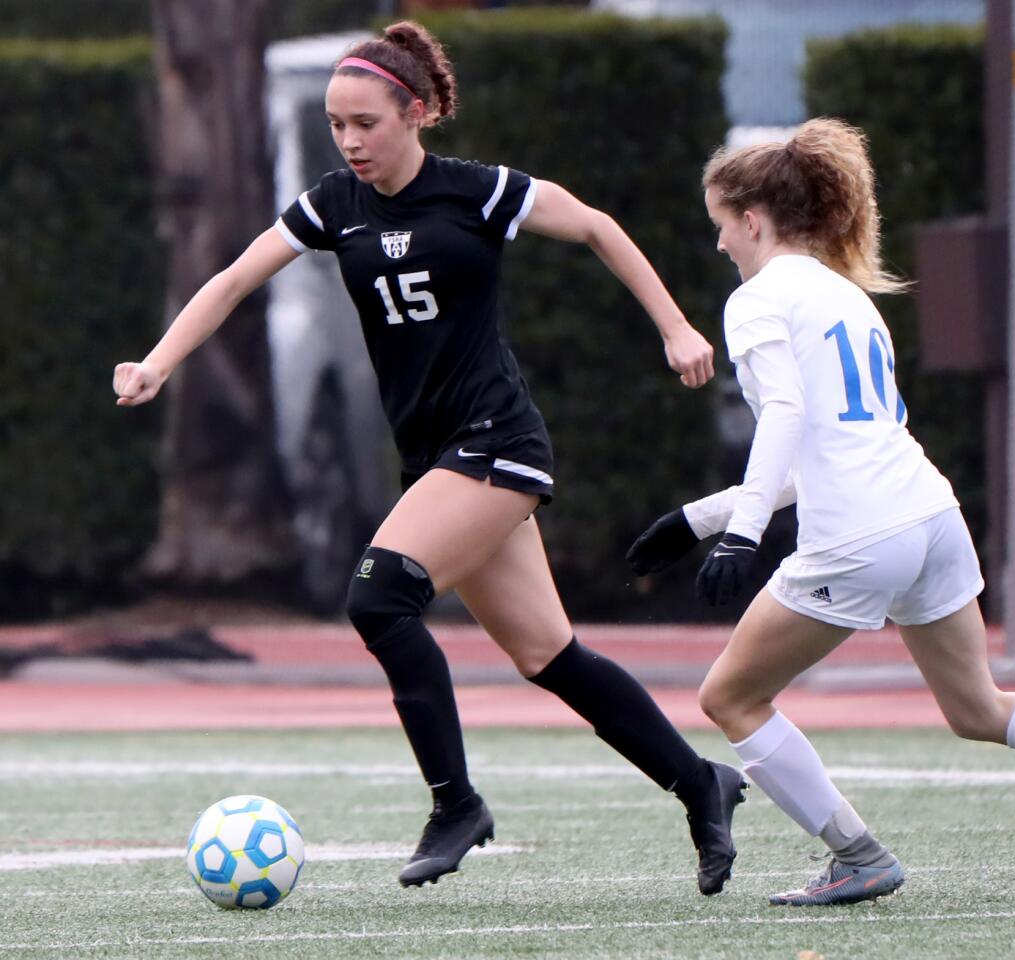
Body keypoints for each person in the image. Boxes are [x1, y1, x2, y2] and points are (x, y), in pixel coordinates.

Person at [114, 20, 747, 895]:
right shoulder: (335, 203)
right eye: (336, 125)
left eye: (364, 123)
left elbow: (598, 226)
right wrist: (156, 362)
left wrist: (677, 326)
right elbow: (229, 280)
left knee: (379, 598)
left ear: (414, 113)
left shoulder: (478, 193)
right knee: (549, 655)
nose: (348, 141)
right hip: (438, 460)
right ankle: (699, 781)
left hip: (496, 443)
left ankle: (456, 803)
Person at [626, 117, 1015, 906]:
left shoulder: (757, 299)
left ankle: (857, 855)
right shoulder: (847, 297)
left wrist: (740, 538)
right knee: (978, 706)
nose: (719, 246)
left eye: (720, 227)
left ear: (752, 219)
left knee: (729, 698)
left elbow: (782, 417)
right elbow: (828, 439)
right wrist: (697, 521)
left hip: (856, 534)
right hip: (927, 516)